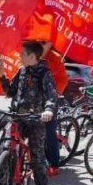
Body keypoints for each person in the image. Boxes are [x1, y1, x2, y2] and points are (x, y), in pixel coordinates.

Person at [0, 39, 58, 185]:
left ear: (32, 56)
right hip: (19, 116)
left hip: (36, 119)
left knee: (37, 157)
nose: (20, 56)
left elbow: (52, 96)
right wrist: (1, 73)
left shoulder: (44, 73)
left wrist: (48, 111)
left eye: (22, 54)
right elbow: (10, 92)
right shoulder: (22, 71)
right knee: (6, 146)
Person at [38, 40, 67, 176]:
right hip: (32, 99)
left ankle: (54, 163)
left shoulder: (56, 58)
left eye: (44, 42)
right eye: (38, 41)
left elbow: (63, 79)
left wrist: (56, 93)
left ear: (50, 44)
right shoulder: (31, 53)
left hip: (49, 99)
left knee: (50, 133)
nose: (40, 43)